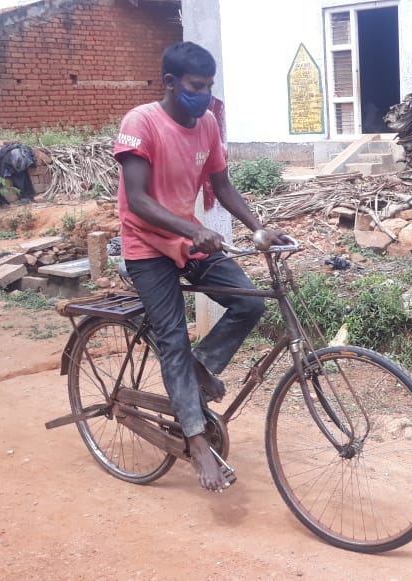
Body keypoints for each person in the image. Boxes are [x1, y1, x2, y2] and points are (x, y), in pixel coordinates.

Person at [114, 41, 287, 492]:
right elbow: (138, 200)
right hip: (146, 244)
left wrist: (258, 227)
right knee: (172, 338)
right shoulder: (141, 122)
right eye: (196, 86)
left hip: (188, 237)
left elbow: (222, 185)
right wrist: (191, 231)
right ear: (170, 83)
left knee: (248, 303)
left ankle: (199, 367)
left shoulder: (207, 122)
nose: (205, 95)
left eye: (210, 86)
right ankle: (195, 442)